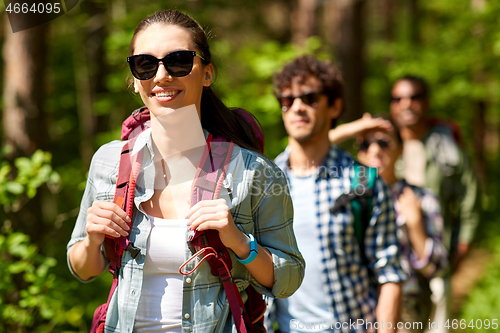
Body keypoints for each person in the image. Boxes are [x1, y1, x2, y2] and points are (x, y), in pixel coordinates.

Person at [67, 10, 305, 333]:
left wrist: (239, 242)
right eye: (145, 64)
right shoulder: (108, 162)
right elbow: (83, 268)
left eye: (178, 61)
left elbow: (288, 278)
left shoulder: (254, 173)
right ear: (135, 81)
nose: (162, 76)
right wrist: (92, 240)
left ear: (207, 73)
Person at [268, 55, 406, 333]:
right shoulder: (265, 180)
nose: (297, 107)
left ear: (335, 106)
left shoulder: (364, 182)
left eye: (310, 98)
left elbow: (389, 273)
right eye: (287, 100)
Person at [330, 114, 448, 332]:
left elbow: (438, 268)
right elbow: (310, 147)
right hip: (353, 306)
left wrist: (415, 226)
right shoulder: (346, 198)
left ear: (401, 148)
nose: (375, 150)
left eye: (384, 143)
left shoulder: (421, 198)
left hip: (404, 308)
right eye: (365, 144)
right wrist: (356, 126)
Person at [389, 76, 480, 333]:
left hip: (437, 261)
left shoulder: (447, 148)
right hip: (393, 267)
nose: (406, 104)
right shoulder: (382, 148)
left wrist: (461, 249)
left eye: (414, 97)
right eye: (398, 99)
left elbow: (469, 201)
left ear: (426, 102)